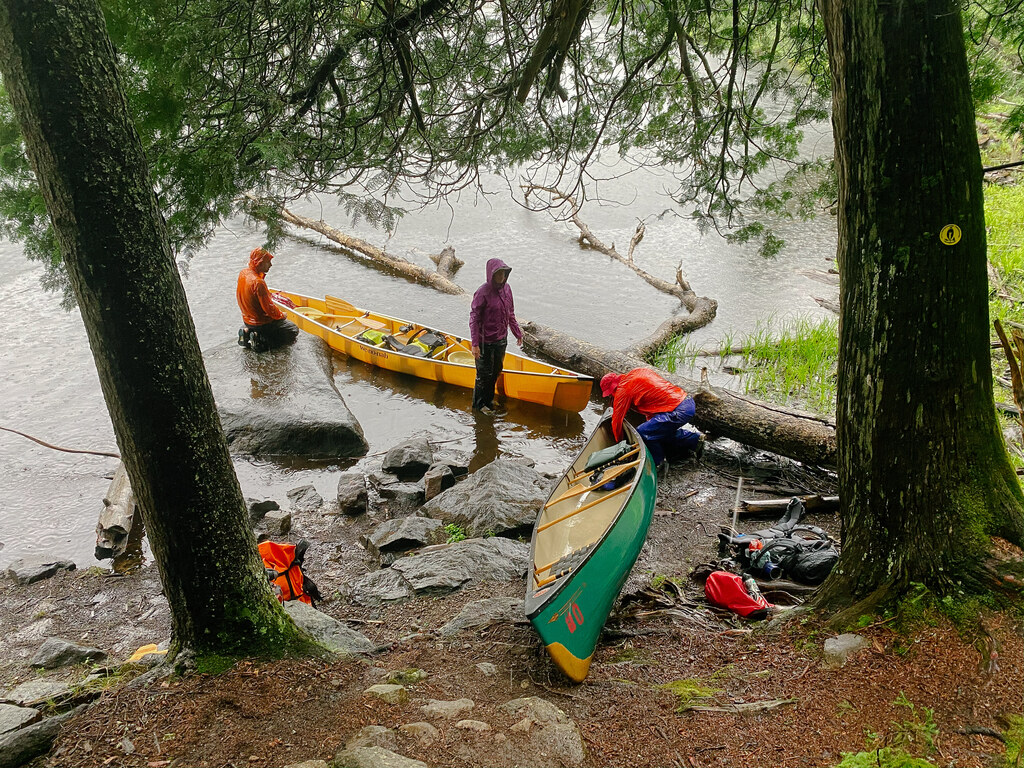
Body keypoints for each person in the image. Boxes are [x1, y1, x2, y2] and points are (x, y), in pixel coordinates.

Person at [600, 368, 704, 467]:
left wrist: (620, 445)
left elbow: (616, 422)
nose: (612, 396)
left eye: (610, 394)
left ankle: (658, 463)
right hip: (686, 401)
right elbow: (652, 405)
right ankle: (695, 440)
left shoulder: (623, 390)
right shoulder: (636, 373)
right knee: (656, 432)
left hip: (679, 410)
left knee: (643, 432)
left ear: (613, 388)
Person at [469, 258, 523, 414]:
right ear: (491, 275)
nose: (502, 277)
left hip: (501, 339)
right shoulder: (482, 292)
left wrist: (516, 332)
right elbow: (474, 318)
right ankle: (479, 406)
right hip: (485, 341)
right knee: (483, 375)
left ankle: (489, 401)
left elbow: (510, 313)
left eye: (504, 274)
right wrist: (475, 344)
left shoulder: (507, 289)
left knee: (496, 371)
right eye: (498, 274)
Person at [236, 247, 299, 352]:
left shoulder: (243, 274)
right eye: (268, 262)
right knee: (293, 330)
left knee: (256, 326)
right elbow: (269, 309)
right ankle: (261, 340)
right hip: (261, 323)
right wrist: (281, 315)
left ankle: (246, 331)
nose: (271, 265)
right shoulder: (258, 283)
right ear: (260, 263)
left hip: (247, 320)